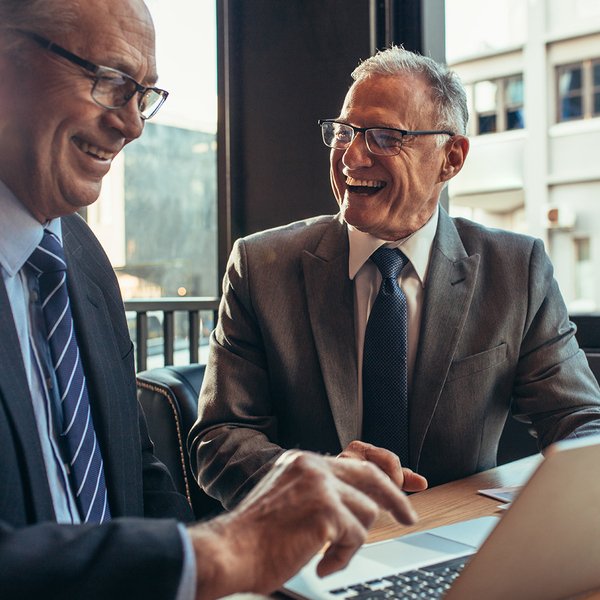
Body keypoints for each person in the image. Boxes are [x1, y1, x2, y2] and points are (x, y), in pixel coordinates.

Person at [0, 2, 419, 598]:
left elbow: (135, 473)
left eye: (142, 94)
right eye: (112, 82)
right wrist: (221, 551)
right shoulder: (258, 262)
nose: (133, 124)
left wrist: (214, 572)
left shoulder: (82, 257)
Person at [189, 45, 600, 511]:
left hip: (454, 543)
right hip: (308, 543)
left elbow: (579, 419)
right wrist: (313, 480)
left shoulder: (516, 269)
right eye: (345, 132)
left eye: (384, 136)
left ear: (451, 158)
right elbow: (220, 439)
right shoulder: (260, 265)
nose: (352, 156)